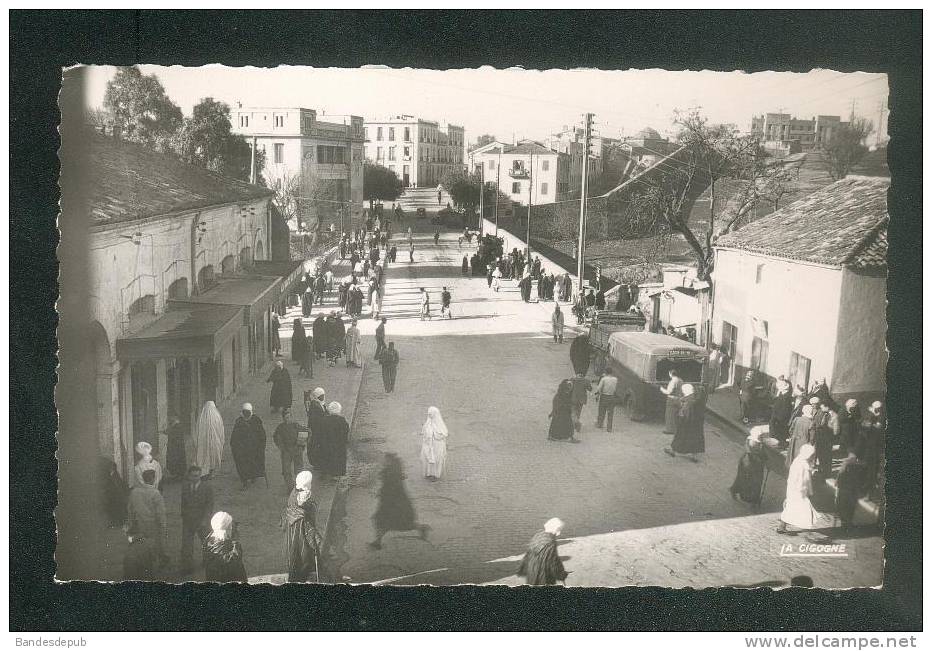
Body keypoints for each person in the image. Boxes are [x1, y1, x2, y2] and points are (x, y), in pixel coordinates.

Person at [369, 453, 430, 550]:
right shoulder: (392, 471)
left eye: (385, 460)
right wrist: (380, 493)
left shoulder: (392, 474)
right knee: (383, 522)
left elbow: (391, 489)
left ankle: (421, 528)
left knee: (396, 523)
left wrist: (381, 494)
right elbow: (387, 487)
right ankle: (377, 542)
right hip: (390, 503)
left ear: (389, 461)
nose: (383, 461)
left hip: (394, 505)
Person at [777, 444, 831, 534]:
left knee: (792, 507)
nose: (812, 457)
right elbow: (804, 480)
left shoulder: (800, 461)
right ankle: (785, 526)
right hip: (798, 490)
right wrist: (807, 491)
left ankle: (783, 526)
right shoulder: (802, 464)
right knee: (798, 507)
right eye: (811, 455)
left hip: (797, 490)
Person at [282, 471, 322, 582]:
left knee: (294, 553)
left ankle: (296, 575)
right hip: (301, 530)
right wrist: (315, 537)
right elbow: (308, 523)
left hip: (293, 528)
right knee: (303, 555)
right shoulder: (305, 499)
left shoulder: (294, 493)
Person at [126, 468, 167, 566]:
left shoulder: (134, 492)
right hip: (152, 524)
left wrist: (131, 522)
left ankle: (141, 562)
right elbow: (160, 512)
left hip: (138, 523)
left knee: (139, 544)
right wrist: (163, 525)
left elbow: (129, 508)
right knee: (155, 544)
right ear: (153, 479)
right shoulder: (155, 493)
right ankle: (154, 562)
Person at [180, 465, 214, 575]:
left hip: (202, 521)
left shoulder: (207, 488)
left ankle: (207, 562)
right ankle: (187, 567)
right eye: (193, 476)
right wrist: (184, 515)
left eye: (198, 476)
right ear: (189, 476)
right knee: (186, 545)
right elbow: (183, 503)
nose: (196, 478)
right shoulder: (185, 487)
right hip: (188, 520)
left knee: (206, 543)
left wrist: (205, 520)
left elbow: (209, 505)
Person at [516, 518, 569, 586]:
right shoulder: (551, 543)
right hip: (544, 575)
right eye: (559, 530)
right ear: (555, 529)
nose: (559, 533)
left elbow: (527, 555)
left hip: (532, 571)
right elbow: (553, 563)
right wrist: (561, 575)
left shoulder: (537, 536)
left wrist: (523, 569)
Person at [664, 383, 706, 462]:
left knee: (680, 434)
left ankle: (673, 450)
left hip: (687, 419)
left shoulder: (689, 399)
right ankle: (694, 455)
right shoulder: (698, 395)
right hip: (697, 419)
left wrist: (677, 402)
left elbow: (684, 408)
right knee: (695, 436)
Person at [230, 403, 267, 490]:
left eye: (248, 412)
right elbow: (234, 437)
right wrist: (236, 448)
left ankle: (253, 476)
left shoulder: (256, 421)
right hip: (242, 450)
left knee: (254, 464)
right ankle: (245, 481)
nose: (246, 415)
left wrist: (260, 447)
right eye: (245, 412)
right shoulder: (239, 422)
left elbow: (262, 436)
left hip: (254, 449)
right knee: (243, 466)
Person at [203, 511, 247, 582]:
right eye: (230, 526)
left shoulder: (210, 539)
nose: (232, 528)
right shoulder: (221, 546)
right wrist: (236, 543)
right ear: (227, 529)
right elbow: (233, 563)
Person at [273, 408, 307, 492]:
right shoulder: (280, 428)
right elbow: (276, 438)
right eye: (285, 418)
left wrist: (302, 445)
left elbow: (307, 432)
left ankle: (300, 485)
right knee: (286, 470)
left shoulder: (296, 426)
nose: (287, 419)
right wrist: (282, 447)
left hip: (297, 450)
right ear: (283, 419)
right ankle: (290, 487)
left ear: (291, 417)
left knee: (299, 469)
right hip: (286, 452)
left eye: (289, 417)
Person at [730, 430, 766, 506]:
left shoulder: (753, 442)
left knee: (750, 480)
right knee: (748, 480)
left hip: (754, 463)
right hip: (750, 463)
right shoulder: (752, 443)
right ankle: (751, 499)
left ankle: (753, 499)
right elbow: (752, 453)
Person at [835, 452, 868, 531]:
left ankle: (845, 522)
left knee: (844, 506)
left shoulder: (847, 465)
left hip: (846, 490)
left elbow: (839, 478)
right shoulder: (857, 466)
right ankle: (847, 522)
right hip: (850, 490)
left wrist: (838, 486)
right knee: (849, 506)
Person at [316, 402, 350, 478]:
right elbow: (346, 431)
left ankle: (326, 472)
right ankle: (336, 474)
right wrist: (344, 441)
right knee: (337, 459)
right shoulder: (342, 420)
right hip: (338, 444)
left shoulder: (324, 420)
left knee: (327, 458)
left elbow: (320, 432)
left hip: (327, 445)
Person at [194, 401, 224, 480]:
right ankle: (212, 471)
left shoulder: (202, 417)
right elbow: (221, 429)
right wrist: (221, 440)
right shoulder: (217, 416)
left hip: (204, 442)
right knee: (213, 455)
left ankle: (204, 471)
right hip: (215, 442)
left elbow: (197, 430)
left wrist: (197, 441)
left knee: (205, 456)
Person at [420, 406, 449, 481]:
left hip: (437, 446)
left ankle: (435, 475)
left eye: (431, 414)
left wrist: (434, 433)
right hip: (428, 445)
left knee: (436, 460)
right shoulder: (428, 423)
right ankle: (429, 473)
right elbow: (424, 433)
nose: (429, 416)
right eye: (429, 414)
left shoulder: (440, 425)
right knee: (427, 458)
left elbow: (443, 434)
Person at [100, 457, 129, 527]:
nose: (113, 469)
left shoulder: (115, 475)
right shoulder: (106, 477)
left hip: (118, 499)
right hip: (111, 500)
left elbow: (121, 485)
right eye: (111, 468)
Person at [305, 388, 329, 469]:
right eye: (321, 396)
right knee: (316, 447)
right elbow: (317, 420)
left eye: (323, 395)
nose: (323, 397)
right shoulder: (315, 406)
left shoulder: (319, 404)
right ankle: (317, 463)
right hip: (317, 431)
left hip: (319, 430)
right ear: (318, 396)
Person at [813, 402, 836, 477]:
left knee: (827, 456)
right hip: (820, 437)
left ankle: (827, 473)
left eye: (822, 407)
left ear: (827, 407)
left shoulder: (833, 415)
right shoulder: (822, 413)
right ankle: (821, 470)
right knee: (820, 455)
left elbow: (835, 430)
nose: (821, 409)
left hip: (828, 439)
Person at [769, 379, 794, 446]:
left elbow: (785, 410)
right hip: (777, 416)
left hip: (781, 419)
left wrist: (778, 418)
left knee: (781, 432)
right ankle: (779, 442)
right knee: (777, 431)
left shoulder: (786, 397)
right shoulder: (781, 394)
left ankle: (782, 444)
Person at [594, 367, 619, 432]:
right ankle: (609, 428)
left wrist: (597, 395)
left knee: (602, 411)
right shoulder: (615, 379)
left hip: (604, 396)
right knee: (610, 413)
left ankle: (600, 424)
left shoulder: (604, 379)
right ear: (612, 372)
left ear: (606, 372)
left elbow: (599, 388)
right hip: (612, 396)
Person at [659, 369, 683, 435]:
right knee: (676, 415)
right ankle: (676, 430)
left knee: (669, 415)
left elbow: (669, 392)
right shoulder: (681, 380)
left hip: (671, 399)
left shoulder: (672, 381)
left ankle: (669, 430)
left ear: (671, 374)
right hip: (679, 399)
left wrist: (662, 389)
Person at [165, 415, 187, 480]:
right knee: (177, 460)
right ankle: (178, 474)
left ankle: (179, 475)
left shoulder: (177, 426)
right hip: (176, 446)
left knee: (177, 460)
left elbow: (171, 433)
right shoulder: (175, 425)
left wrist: (167, 431)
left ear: (175, 418)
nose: (169, 419)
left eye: (171, 418)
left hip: (176, 447)